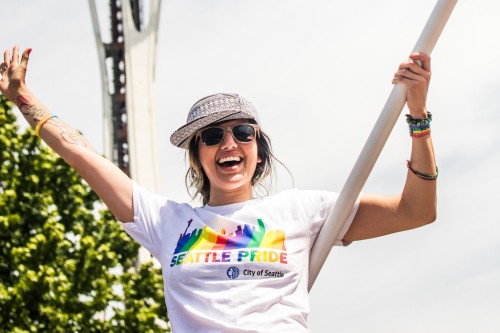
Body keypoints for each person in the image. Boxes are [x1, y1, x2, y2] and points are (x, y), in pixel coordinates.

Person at [1, 46, 437, 332]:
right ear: (198, 157)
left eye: (242, 132)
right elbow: (82, 154)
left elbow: (415, 211)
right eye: (212, 137)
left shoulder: (305, 210)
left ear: (258, 151)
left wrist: (417, 117)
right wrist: (23, 98)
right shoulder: (166, 221)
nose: (229, 144)